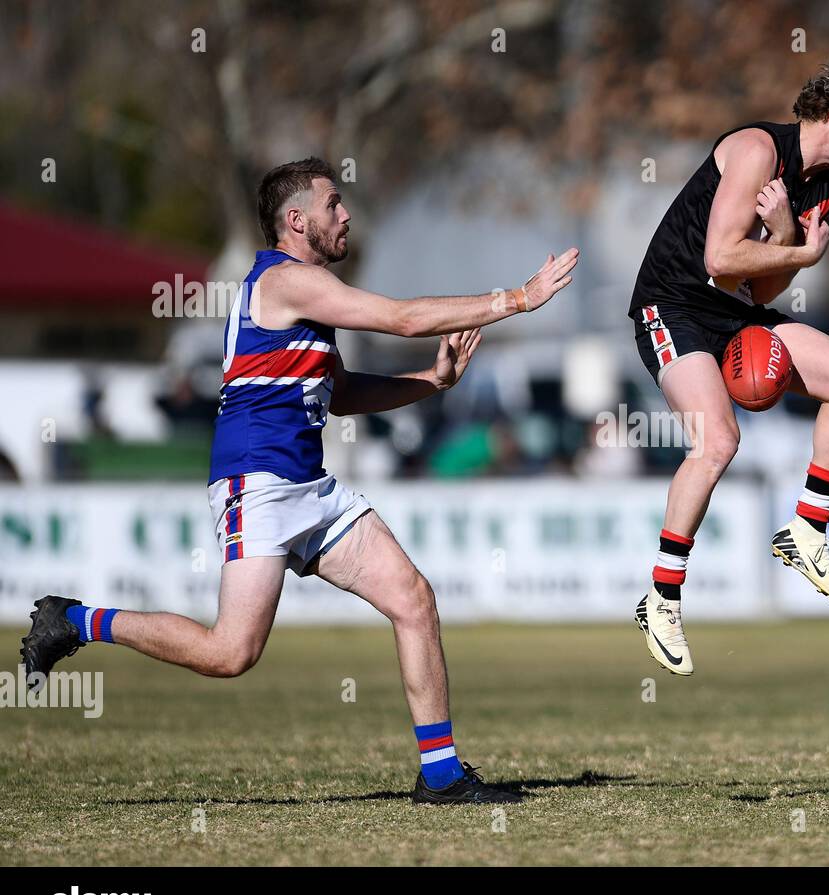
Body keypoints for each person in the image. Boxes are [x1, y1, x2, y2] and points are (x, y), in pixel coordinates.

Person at [19, 157, 579, 804]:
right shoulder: (285, 282)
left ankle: (443, 775)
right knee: (231, 654)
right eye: (333, 204)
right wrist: (519, 298)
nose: (345, 215)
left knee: (413, 599)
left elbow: (340, 395)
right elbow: (400, 318)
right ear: (296, 221)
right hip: (256, 484)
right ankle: (76, 619)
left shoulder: (308, 301)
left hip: (309, 487)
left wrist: (432, 382)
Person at [627, 62, 829, 675]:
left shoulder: (824, 192)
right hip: (672, 304)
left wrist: (782, 236)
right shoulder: (754, 150)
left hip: (733, 314)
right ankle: (662, 596)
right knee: (718, 441)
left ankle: (806, 530)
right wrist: (799, 246)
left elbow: (761, 286)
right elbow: (721, 259)